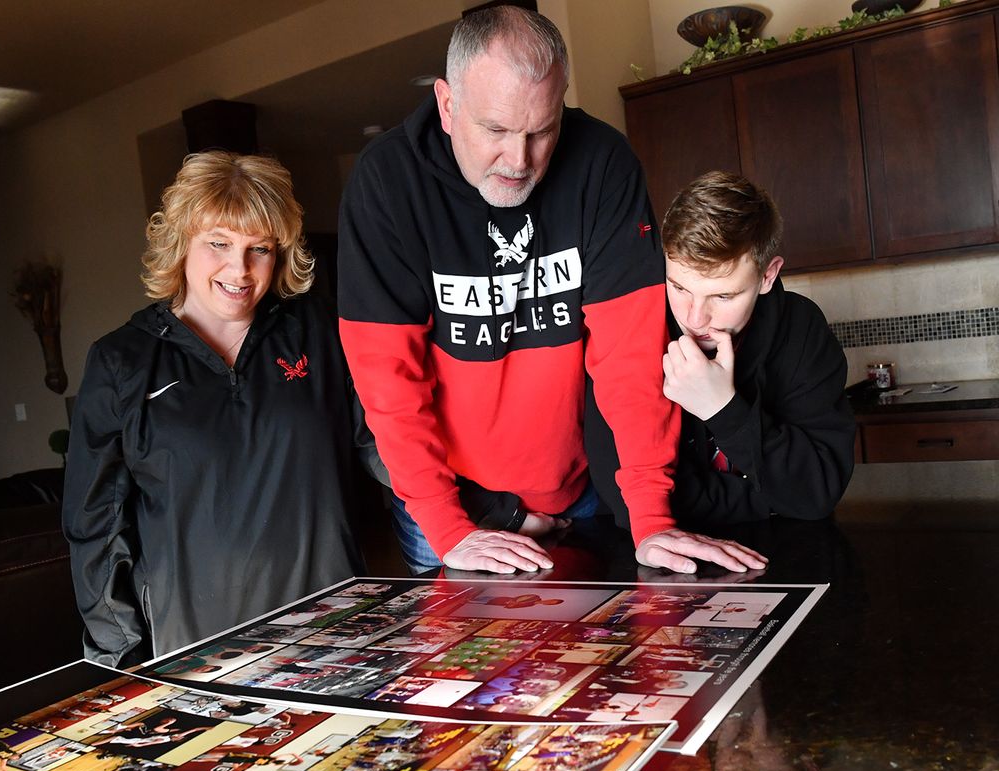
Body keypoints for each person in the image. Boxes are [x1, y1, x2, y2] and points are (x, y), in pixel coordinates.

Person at [337, 5, 764, 576]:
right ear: (447, 104)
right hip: (447, 505)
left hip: (582, 490)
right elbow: (388, 381)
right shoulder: (387, 183)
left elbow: (630, 358)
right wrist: (446, 522)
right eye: (495, 130)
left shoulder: (603, 164)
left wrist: (651, 516)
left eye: (541, 131)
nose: (519, 160)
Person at [65, 151, 385, 666]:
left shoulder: (317, 331)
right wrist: (116, 657)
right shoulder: (121, 361)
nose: (239, 269)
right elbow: (97, 526)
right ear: (180, 244)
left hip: (337, 627)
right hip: (200, 647)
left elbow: (388, 441)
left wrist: (487, 515)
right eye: (219, 243)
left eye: (259, 248)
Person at [587, 171, 856, 527]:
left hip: (787, 552)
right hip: (655, 555)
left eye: (723, 295)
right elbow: (623, 498)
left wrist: (723, 409)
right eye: (679, 288)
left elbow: (816, 491)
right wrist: (770, 501)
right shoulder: (631, 329)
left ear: (767, 277)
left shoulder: (801, 329)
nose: (695, 318)